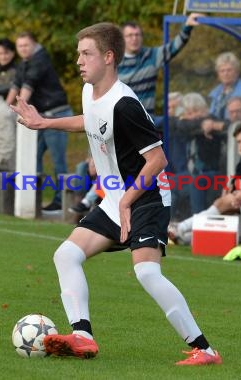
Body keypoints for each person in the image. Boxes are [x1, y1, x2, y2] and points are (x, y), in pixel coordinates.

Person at [11, 22, 221, 366]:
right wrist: (44, 122)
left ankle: (206, 350)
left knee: (147, 273)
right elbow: (89, 120)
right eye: (79, 54)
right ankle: (83, 336)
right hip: (115, 198)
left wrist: (126, 201)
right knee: (66, 256)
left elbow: (158, 159)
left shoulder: (126, 104)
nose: (79, 61)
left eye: (86, 54)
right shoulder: (89, 91)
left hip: (147, 196)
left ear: (108, 57)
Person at [6, 31, 72, 213]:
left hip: (56, 115)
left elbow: (27, 87)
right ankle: (34, 199)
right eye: (19, 46)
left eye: (26, 45)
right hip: (41, 117)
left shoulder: (40, 60)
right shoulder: (24, 63)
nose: (23, 49)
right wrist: (5, 110)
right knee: (33, 158)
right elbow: (16, 86)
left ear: (34, 44)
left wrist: (19, 110)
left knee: (58, 161)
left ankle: (61, 202)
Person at [118, 13, 202, 115]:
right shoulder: (115, 62)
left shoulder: (151, 56)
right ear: (122, 39)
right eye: (130, 35)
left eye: (137, 35)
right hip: (122, 122)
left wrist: (187, 27)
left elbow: (173, 47)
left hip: (146, 123)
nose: (134, 38)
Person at [209, 52, 241, 120]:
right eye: (222, 71)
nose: (225, 74)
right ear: (218, 74)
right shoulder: (215, 95)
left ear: (237, 72)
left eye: (229, 70)